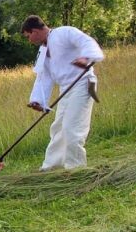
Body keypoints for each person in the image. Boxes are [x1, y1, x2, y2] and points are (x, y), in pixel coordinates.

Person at [21, 15, 104, 171]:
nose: (29, 40)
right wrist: (38, 101)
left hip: (82, 83)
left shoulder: (65, 32)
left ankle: (76, 168)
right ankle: (51, 166)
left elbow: (87, 42)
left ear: (34, 31)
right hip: (65, 89)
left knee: (72, 128)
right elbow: (43, 77)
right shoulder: (43, 50)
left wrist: (86, 58)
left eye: (28, 36)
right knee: (58, 128)